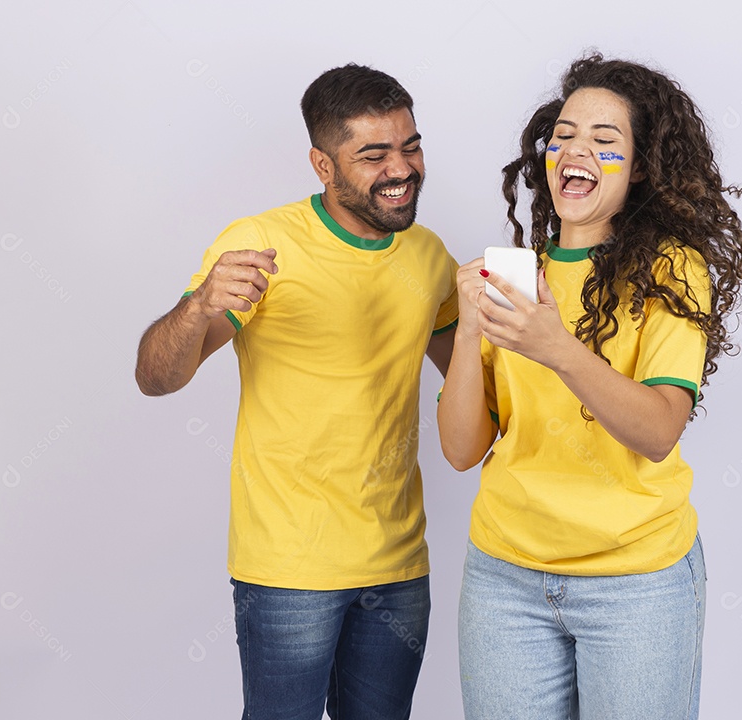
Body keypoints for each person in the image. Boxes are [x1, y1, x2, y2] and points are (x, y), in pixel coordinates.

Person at [437, 53, 742, 719]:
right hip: (505, 577)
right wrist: (468, 332)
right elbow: (462, 450)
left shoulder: (670, 272)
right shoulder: (515, 275)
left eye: (603, 140)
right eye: (563, 134)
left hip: (636, 584)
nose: (574, 149)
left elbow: (657, 430)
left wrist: (558, 349)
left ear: (641, 166)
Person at [135, 64, 459, 720]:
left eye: (411, 145)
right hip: (288, 567)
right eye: (373, 154)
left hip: (399, 565)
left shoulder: (429, 256)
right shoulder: (261, 244)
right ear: (323, 164)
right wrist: (198, 308)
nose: (401, 168)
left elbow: (478, 387)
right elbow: (155, 378)